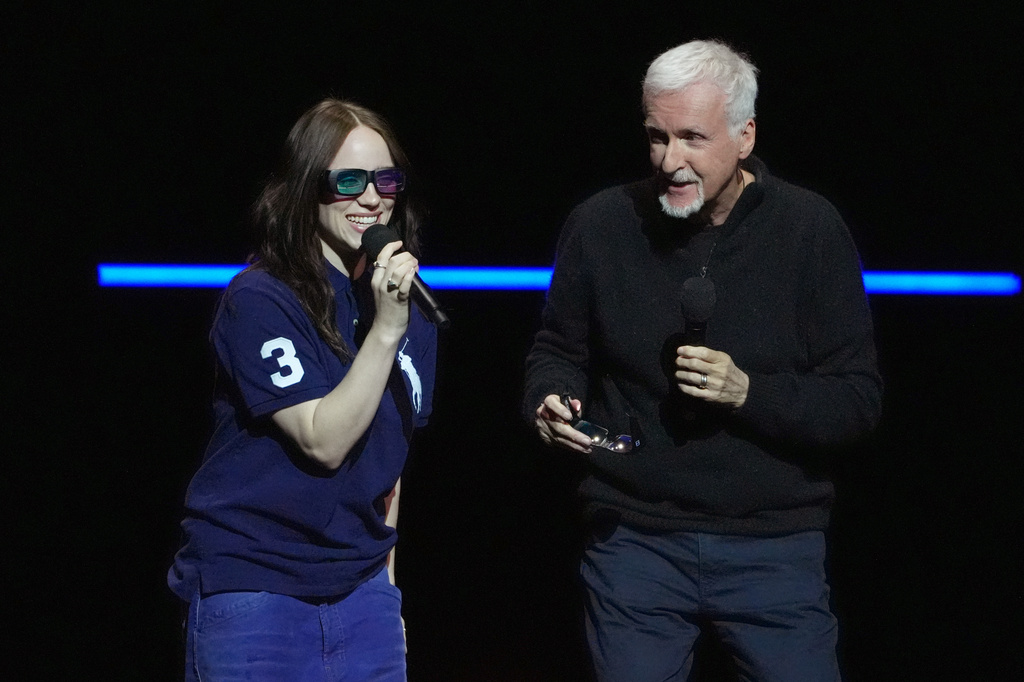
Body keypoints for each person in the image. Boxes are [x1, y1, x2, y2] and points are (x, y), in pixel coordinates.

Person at [524, 40, 881, 681]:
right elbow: (557, 349)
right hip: (634, 540)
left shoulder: (810, 231)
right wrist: (550, 397)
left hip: (775, 546)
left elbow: (856, 398)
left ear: (744, 136)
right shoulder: (603, 224)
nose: (671, 161)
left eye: (693, 137)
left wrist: (751, 392)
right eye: (657, 137)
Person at [168, 99, 436, 681]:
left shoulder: (400, 304)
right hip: (257, 590)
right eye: (348, 181)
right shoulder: (261, 300)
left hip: (361, 594)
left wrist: (388, 595)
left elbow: (389, 470)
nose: (371, 198)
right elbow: (323, 440)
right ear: (306, 188)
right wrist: (386, 332)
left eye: (385, 180)